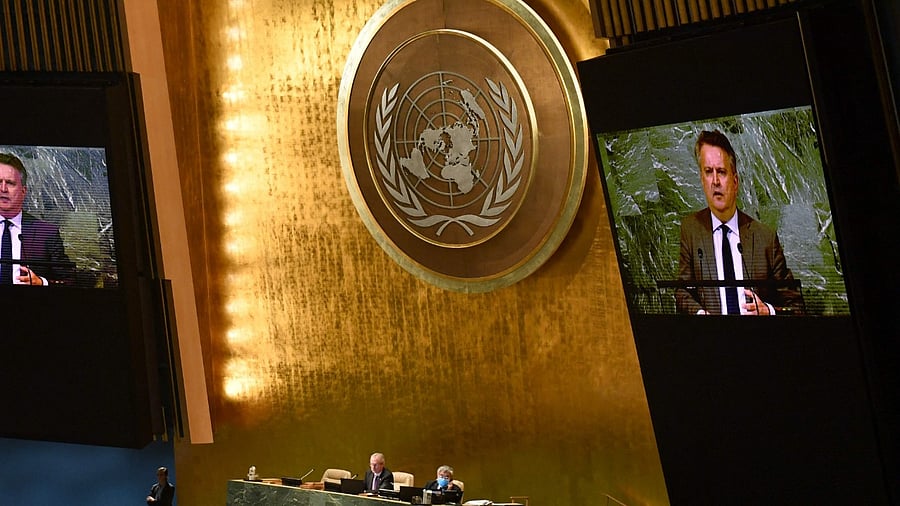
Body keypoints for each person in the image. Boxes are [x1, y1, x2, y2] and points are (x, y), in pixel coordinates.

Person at [675, 130, 803, 315]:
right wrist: (701, 316)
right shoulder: (691, 231)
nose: (715, 181)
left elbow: (795, 306)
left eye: (721, 172)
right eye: (708, 172)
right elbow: (682, 292)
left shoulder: (765, 239)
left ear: (735, 182)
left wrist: (768, 311)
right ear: (702, 180)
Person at [0, 153, 73, 286]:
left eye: (10, 183)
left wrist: (41, 283)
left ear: (23, 191)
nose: (3, 189)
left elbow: (69, 281)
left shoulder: (46, 233)